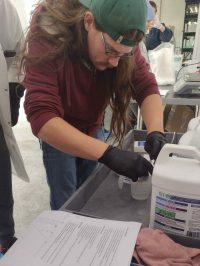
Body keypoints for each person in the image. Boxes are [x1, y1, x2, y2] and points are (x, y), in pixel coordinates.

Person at [22, 0, 167, 210]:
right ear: (89, 21)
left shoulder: (122, 37)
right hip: (58, 126)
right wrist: (108, 153)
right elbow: (41, 114)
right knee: (66, 199)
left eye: (122, 54)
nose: (115, 63)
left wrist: (156, 131)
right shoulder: (48, 30)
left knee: (90, 194)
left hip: (92, 124)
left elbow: (145, 85)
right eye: (110, 51)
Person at [0, 0, 29, 257]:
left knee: (1, 176)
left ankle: (4, 239)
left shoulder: (6, 11)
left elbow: (19, 56)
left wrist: (14, 90)